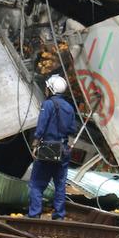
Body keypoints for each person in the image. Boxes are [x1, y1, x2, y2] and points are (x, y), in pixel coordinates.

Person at [27, 74, 79, 220]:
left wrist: (36, 143)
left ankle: (34, 214)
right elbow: (72, 129)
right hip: (63, 149)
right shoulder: (69, 107)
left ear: (50, 89)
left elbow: (41, 126)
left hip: (47, 148)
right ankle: (59, 215)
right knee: (60, 185)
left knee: (37, 183)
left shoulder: (48, 104)